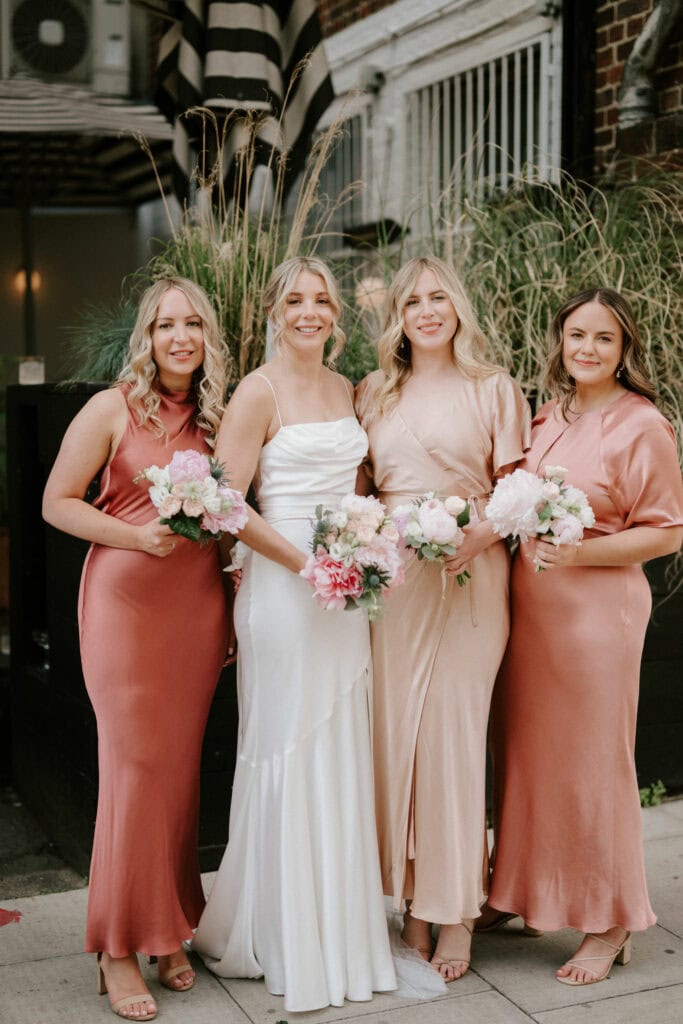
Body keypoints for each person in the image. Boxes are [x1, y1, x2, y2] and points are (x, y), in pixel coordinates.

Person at [191, 256, 396, 1013]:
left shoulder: (346, 388)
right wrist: (306, 563)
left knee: (337, 736)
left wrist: (361, 545)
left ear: (336, 313)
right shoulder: (259, 389)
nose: (308, 312)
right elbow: (223, 500)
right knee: (290, 740)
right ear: (275, 311)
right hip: (283, 590)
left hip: (341, 591)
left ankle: (337, 928)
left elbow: (356, 486)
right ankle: (279, 932)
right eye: (294, 301)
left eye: (321, 300)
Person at [42, 277, 230, 1020]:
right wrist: (134, 535)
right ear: (146, 337)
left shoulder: (219, 416)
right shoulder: (110, 408)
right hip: (124, 606)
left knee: (177, 774)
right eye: (164, 325)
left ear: (207, 336)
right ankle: (117, 946)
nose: (179, 337)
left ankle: (168, 927)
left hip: (197, 610)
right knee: (134, 771)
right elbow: (57, 502)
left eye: (192, 324)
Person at [485, 288, 683, 985]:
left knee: (594, 765)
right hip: (532, 615)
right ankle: (518, 891)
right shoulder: (548, 416)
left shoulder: (641, 425)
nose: (588, 349)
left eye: (603, 338)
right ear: (559, 342)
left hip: (597, 616)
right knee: (530, 758)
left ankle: (609, 921)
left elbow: (665, 530)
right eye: (576, 335)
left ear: (624, 347)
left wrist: (577, 554)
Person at [354, 255, 530, 981]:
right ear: (395, 315)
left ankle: (455, 910)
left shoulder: (494, 389)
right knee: (398, 740)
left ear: (457, 306)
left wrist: (479, 534)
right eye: (411, 301)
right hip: (395, 581)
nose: (426, 311)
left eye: (437, 297)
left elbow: (519, 484)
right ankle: (412, 905)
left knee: (454, 740)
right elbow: (359, 491)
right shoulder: (372, 392)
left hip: (471, 574)